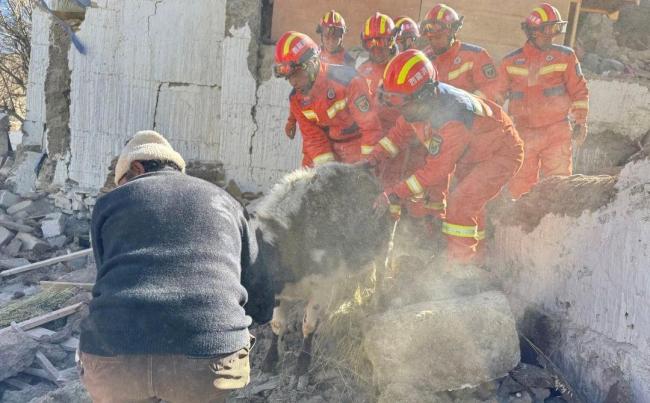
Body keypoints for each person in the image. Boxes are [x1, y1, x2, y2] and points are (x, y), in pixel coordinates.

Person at [78, 131, 273, 403]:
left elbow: (104, 276)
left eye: (121, 181)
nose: (121, 188)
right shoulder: (227, 202)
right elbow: (261, 298)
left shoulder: (109, 203)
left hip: (114, 358)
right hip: (207, 361)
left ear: (137, 167)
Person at [367, 50, 524, 264]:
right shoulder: (418, 106)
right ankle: (477, 257)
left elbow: (436, 171)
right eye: (396, 102)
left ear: (423, 96)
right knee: (467, 207)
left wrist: (393, 194)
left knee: (461, 203)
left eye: (404, 103)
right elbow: (398, 134)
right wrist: (373, 159)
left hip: (501, 154)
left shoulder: (453, 119)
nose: (400, 109)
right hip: (473, 152)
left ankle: (461, 270)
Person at [499, 3, 589, 198]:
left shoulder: (566, 56)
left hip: (556, 131)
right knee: (520, 185)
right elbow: (495, 98)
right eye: (548, 29)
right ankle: (518, 224)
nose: (553, 35)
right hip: (523, 132)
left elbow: (579, 91)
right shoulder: (510, 62)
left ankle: (554, 224)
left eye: (556, 29)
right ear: (532, 32)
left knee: (558, 184)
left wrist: (580, 121)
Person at [275, 31, 382, 166]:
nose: (293, 82)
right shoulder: (296, 99)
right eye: (288, 77)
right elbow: (313, 138)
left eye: (296, 75)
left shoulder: (349, 81)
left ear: (312, 64)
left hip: (356, 145)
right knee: (306, 185)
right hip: (323, 147)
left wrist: (367, 164)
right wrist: (327, 171)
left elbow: (370, 128)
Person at [283, 10, 356, 141]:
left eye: (335, 36)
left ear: (342, 36)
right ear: (321, 35)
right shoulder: (312, 56)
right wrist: (291, 120)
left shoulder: (348, 61)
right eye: (327, 36)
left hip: (338, 123)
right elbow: (296, 94)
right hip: (316, 120)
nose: (330, 40)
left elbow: (352, 92)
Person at [420, 3, 501, 101]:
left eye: (438, 37)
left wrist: (466, 104)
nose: (433, 42)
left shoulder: (476, 56)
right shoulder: (423, 59)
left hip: (468, 114)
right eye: (430, 38)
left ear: (451, 32)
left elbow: (491, 87)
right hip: (431, 115)